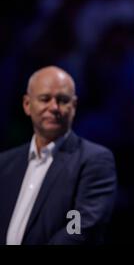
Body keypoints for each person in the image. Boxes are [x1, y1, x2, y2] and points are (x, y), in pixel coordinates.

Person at [0, 66, 117, 245]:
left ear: (74, 106)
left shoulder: (94, 161)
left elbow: (79, 228)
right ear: (27, 104)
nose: (53, 107)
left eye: (62, 100)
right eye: (44, 99)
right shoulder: (5, 163)